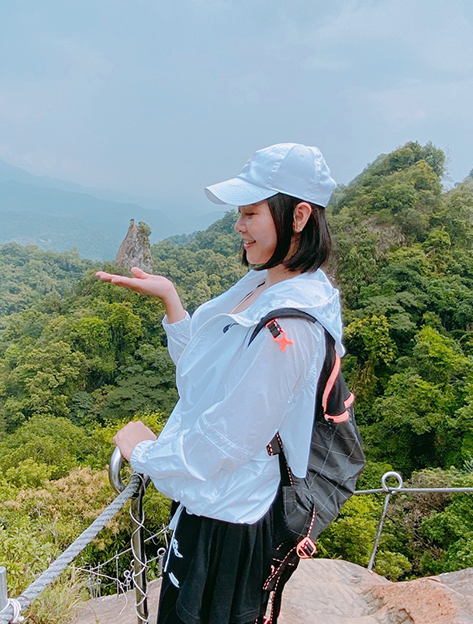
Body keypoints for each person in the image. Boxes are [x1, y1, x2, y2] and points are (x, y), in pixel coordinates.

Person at [96, 143, 343, 624]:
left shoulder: (291, 325)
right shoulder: (263, 284)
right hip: (208, 502)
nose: (239, 226)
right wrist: (171, 302)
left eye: (251, 213)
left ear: (299, 216)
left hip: (230, 520)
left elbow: (220, 445)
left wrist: (141, 451)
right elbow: (206, 375)